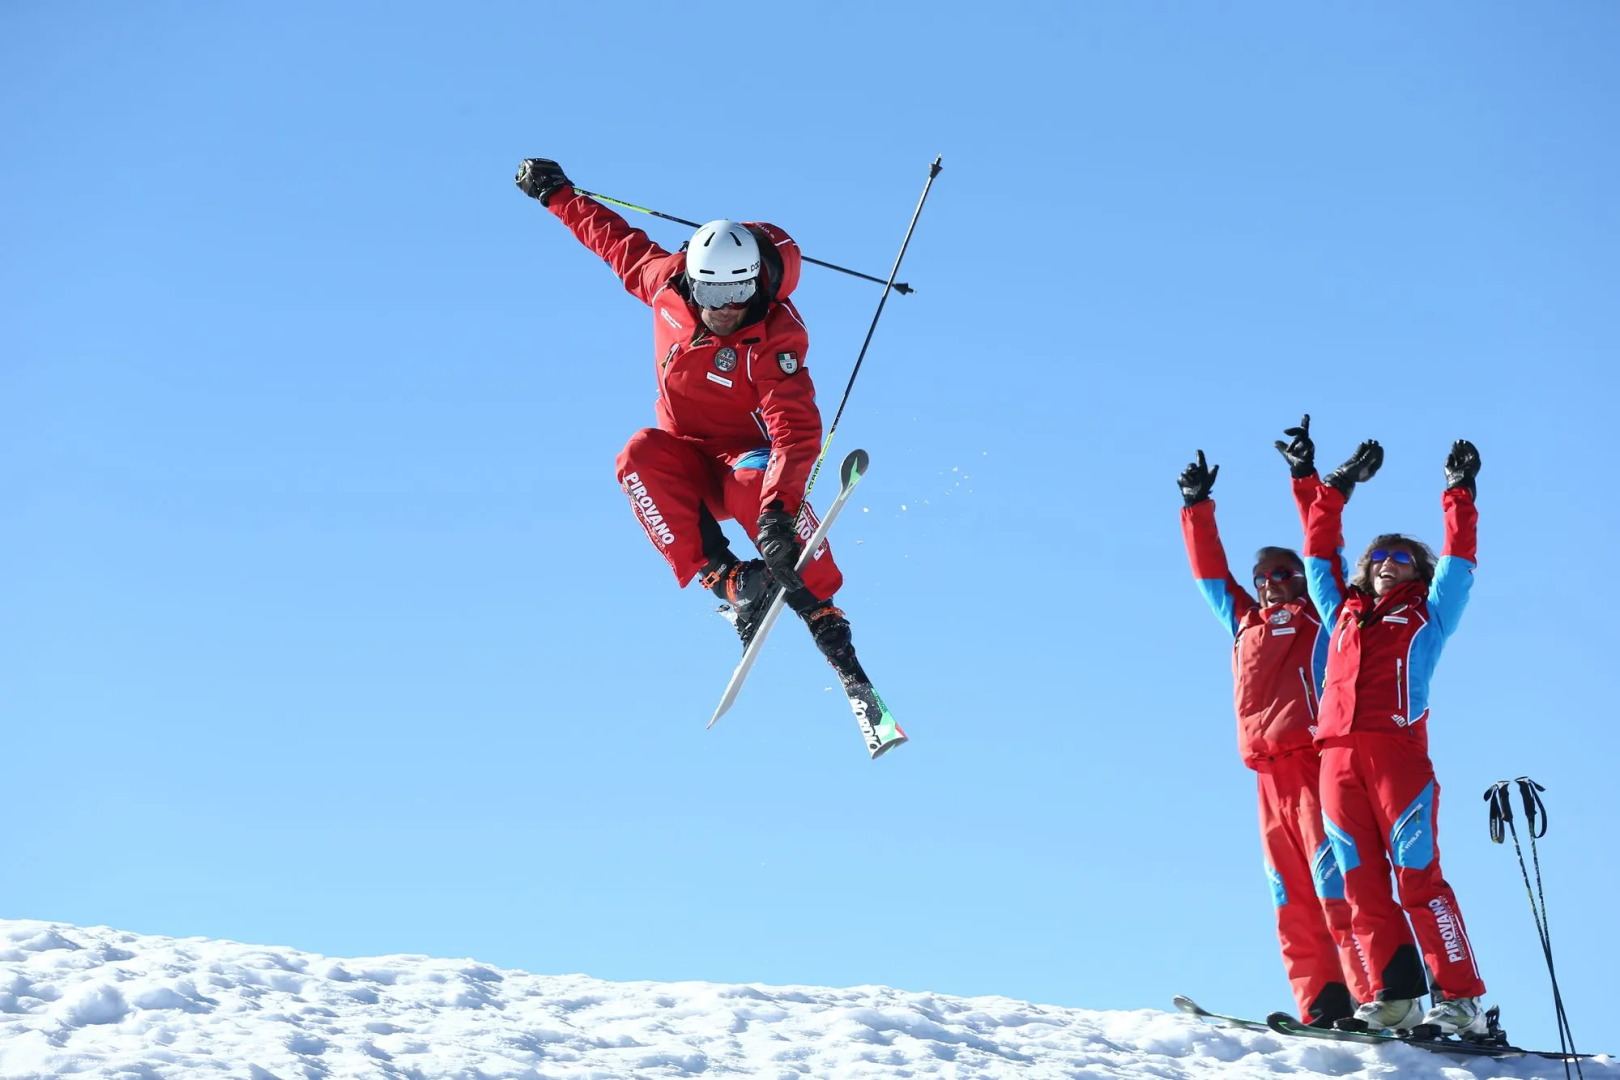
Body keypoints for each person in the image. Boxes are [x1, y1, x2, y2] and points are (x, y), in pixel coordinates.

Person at [512, 159, 877, 686]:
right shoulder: (665, 284)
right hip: (686, 459)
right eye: (712, 296)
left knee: (757, 486)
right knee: (637, 454)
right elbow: (613, 241)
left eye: (737, 294)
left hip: (740, 458)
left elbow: (794, 430)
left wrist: (776, 521)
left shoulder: (774, 337)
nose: (725, 308)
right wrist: (558, 196)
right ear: (692, 281)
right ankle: (729, 584)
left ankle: (821, 606)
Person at [1290, 422, 1490, 1036]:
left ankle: (1460, 998)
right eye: (1377, 556)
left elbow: (1459, 561)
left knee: (1417, 878)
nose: (1384, 565)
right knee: (1360, 883)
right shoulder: (1342, 611)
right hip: (1335, 760)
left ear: (1417, 570)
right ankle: (1395, 995)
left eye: (1400, 557)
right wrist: (1338, 486)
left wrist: (1459, 492)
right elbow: (1318, 554)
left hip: (1397, 757)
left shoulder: (1430, 610)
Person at [1178, 437, 1370, 1028]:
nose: (1271, 583)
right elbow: (1211, 571)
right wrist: (1196, 505)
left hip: (1316, 768)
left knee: (1335, 885)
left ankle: (1372, 995)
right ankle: (1321, 1004)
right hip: (1267, 778)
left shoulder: (1318, 612)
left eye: (1282, 574)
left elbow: (1324, 550)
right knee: (1288, 897)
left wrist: (1307, 477)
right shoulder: (1243, 622)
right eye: (1263, 577)